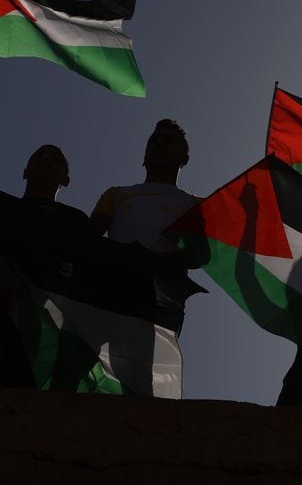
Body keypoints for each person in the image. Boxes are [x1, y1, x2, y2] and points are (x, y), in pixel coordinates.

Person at [1, 145, 92, 388]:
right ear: (24, 171)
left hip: (48, 318)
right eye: (39, 155)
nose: (45, 159)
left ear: (66, 180)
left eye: (55, 158)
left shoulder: (76, 220)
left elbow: (92, 269)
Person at [90, 118, 200, 256]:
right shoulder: (115, 194)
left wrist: (155, 261)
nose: (159, 143)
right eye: (153, 140)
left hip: (167, 277)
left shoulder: (197, 205)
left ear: (184, 159)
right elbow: (88, 238)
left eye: (169, 140)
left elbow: (203, 255)